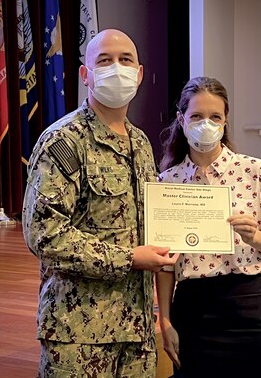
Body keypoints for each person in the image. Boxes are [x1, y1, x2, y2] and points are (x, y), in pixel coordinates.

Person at [22, 28, 177, 378]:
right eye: (104, 61)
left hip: (136, 330)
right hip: (79, 333)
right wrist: (129, 258)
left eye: (125, 60)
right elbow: (44, 234)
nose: (116, 68)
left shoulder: (141, 143)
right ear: (85, 74)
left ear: (139, 74)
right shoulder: (63, 141)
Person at [156, 76, 261, 378]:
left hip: (254, 306)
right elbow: (165, 265)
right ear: (181, 119)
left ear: (226, 120)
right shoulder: (168, 183)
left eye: (215, 116)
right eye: (197, 116)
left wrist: (255, 236)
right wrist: (165, 320)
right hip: (194, 310)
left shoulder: (255, 170)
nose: (207, 124)